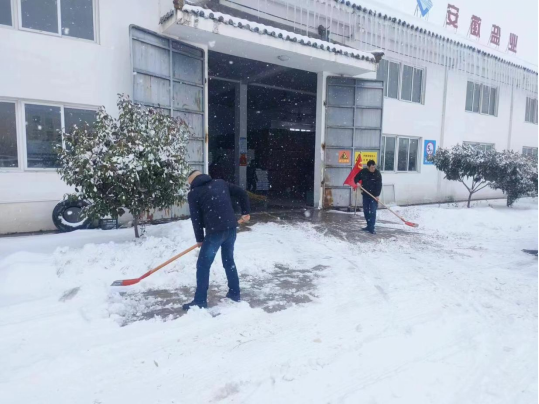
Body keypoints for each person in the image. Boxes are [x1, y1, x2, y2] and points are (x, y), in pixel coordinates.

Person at [183, 171, 251, 311]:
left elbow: (196, 219)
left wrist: (200, 239)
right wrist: (246, 211)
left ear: (192, 182)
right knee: (228, 261)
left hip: (215, 232)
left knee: (203, 265)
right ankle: (235, 293)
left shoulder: (194, 194)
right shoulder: (220, 183)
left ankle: (200, 301)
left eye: (190, 183)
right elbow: (242, 193)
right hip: (231, 228)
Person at [354, 160, 383, 235]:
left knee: (373, 211)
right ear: (368, 167)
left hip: (374, 196)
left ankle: (371, 228)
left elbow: (379, 185)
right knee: (366, 211)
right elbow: (356, 178)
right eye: (372, 167)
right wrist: (357, 182)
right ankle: (368, 225)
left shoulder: (377, 173)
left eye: (374, 167)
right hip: (365, 195)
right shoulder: (363, 172)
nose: (373, 169)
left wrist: (377, 195)